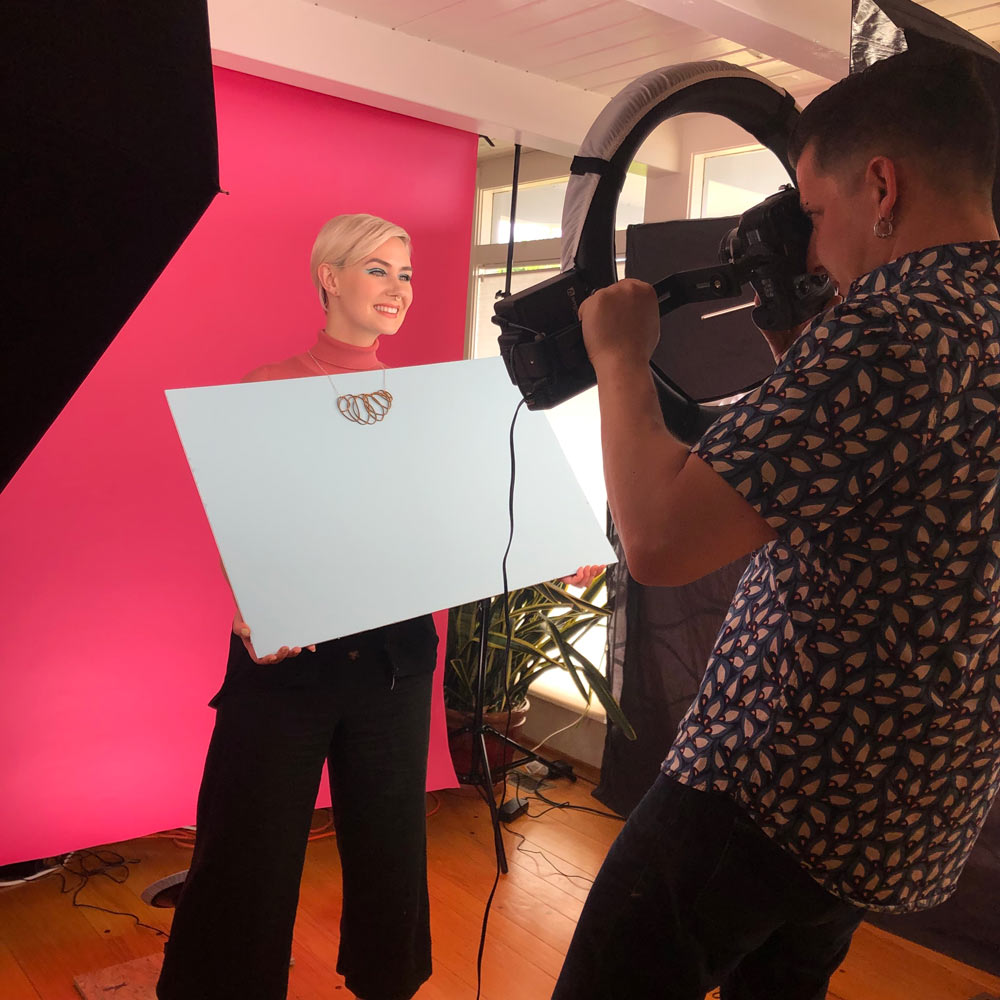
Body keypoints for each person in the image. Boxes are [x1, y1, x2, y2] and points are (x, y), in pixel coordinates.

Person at [553, 49, 1000, 1000]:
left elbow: (661, 541)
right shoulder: (972, 316)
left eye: (815, 211)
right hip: (902, 802)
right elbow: (899, 500)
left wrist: (621, 354)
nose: (812, 244)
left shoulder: (892, 326)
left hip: (774, 788)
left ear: (882, 184)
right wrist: (795, 348)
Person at [157, 214, 439, 1000]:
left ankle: (389, 986)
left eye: (406, 274)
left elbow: (442, 524)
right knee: (246, 851)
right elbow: (238, 516)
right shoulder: (267, 386)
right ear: (330, 277)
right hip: (286, 657)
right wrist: (252, 601)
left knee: (390, 851)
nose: (397, 290)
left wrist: (538, 546)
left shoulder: (423, 402)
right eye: (379, 270)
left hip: (394, 661)